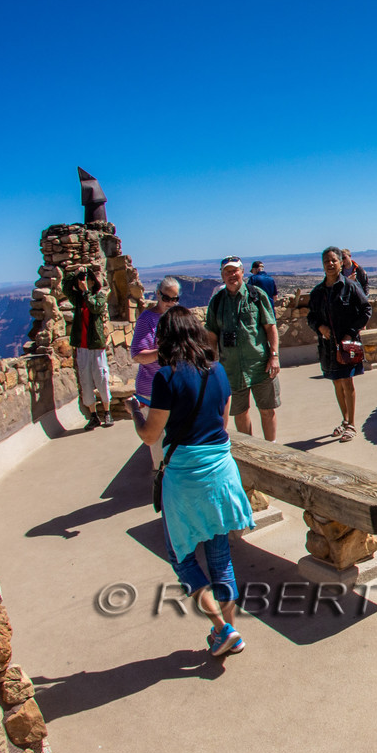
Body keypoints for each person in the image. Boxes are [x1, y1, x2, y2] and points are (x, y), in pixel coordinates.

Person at [129, 307, 252, 657]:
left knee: (182, 556)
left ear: (166, 339)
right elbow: (222, 421)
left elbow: (151, 435)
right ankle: (228, 633)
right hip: (221, 472)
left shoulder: (165, 379)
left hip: (186, 478)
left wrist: (135, 413)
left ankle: (222, 628)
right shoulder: (218, 370)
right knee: (220, 555)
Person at [204, 256, 281, 442]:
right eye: (227, 272)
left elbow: (270, 327)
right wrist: (212, 363)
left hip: (260, 364)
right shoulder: (216, 302)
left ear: (242, 272)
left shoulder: (257, 296)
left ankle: (272, 449)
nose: (232, 275)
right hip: (231, 369)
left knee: (267, 409)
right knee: (240, 412)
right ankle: (251, 450)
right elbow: (212, 334)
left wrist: (274, 356)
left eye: (235, 271)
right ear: (222, 275)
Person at [307, 246, 372, 441]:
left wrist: (351, 333)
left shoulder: (350, 287)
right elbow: (311, 316)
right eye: (326, 261)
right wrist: (320, 327)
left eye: (333, 260)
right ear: (322, 264)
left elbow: (366, 310)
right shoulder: (318, 292)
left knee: (347, 381)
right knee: (336, 381)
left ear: (340, 262)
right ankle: (344, 420)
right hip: (328, 347)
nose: (330, 264)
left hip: (348, 344)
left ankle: (351, 424)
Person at [129, 277, 179, 468]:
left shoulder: (174, 316)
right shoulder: (147, 320)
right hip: (152, 389)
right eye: (167, 298)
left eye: (175, 299)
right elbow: (138, 355)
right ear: (158, 294)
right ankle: (161, 481)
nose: (171, 303)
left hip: (174, 386)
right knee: (157, 441)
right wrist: (165, 351)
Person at [61, 268, 112, 428]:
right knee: (85, 380)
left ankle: (107, 412)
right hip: (82, 346)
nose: (84, 282)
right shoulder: (77, 299)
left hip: (96, 345)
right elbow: (65, 288)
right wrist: (75, 274)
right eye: (82, 280)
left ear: (92, 281)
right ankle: (93, 416)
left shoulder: (99, 296)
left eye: (86, 279)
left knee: (101, 377)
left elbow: (95, 307)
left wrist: (85, 292)